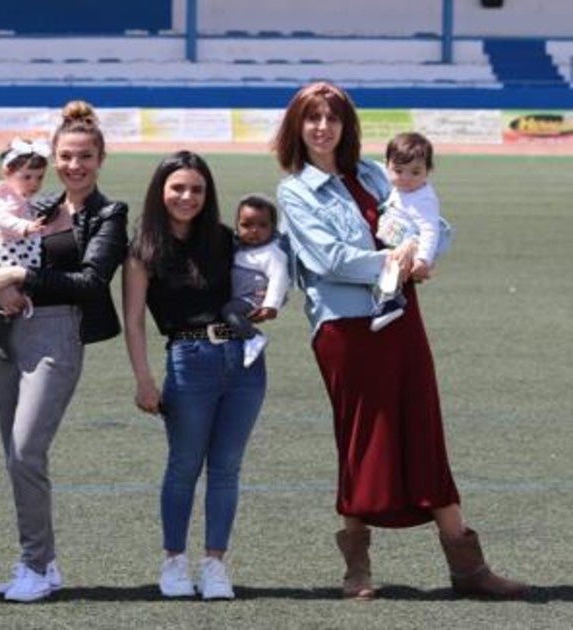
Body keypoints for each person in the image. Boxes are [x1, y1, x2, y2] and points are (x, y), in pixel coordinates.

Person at [273, 81, 526, 600]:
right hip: (347, 329)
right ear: (297, 126)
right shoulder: (294, 189)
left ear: (348, 126)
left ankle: (469, 568)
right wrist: (395, 260)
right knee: (361, 437)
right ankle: (357, 570)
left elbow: (433, 223)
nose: (323, 127)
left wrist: (424, 254)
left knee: (424, 427)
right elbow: (329, 259)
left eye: (333, 117)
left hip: (401, 316)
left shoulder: (371, 171)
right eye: (312, 118)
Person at [0, 100, 129, 603]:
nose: (74, 165)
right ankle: (41, 561)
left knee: (26, 451)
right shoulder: (35, 204)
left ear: (100, 158)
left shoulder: (109, 214)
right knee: (14, 457)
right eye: (65, 156)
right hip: (5, 331)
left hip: (57, 335)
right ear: (53, 157)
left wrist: (22, 277)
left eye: (84, 156)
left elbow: (91, 281)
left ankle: (36, 566)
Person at [122, 151, 269, 601]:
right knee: (184, 465)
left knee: (226, 469)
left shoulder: (226, 240)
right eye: (178, 188)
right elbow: (133, 320)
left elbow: (255, 285)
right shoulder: (143, 248)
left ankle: (215, 564)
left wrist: (262, 300)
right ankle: (173, 562)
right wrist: (144, 378)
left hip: (244, 362)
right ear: (160, 191)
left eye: (197, 189)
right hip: (188, 360)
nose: (187, 197)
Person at [0, 136, 49, 358]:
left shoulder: (21, 196)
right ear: (7, 173)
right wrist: (25, 226)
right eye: (27, 177)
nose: (34, 183)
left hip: (17, 249)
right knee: (9, 292)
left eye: (39, 177)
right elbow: (2, 217)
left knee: (20, 289)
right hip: (4, 252)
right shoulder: (5, 197)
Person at [369, 131, 450, 332]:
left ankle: (389, 303)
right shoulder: (401, 188)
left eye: (415, 172)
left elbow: (430, 229)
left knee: (393, 265)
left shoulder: (423, 199)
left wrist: (423, 259)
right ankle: (387, 297)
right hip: (396, 235)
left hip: (409, 241)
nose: (405, 178)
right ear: (387, 165)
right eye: (398, 170)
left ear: (428, 171)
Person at [220, 194, 289, 368]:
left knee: (229, 311)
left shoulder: (272, 252)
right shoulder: (238, 247)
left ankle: (253, 337)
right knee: (229, 312)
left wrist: (271, 305)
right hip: (240, 296)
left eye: (262, 225)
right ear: (237, 225)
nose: (254, 230)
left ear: (273, 227)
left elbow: (278, 278)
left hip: (253, 298)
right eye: (246, 225)